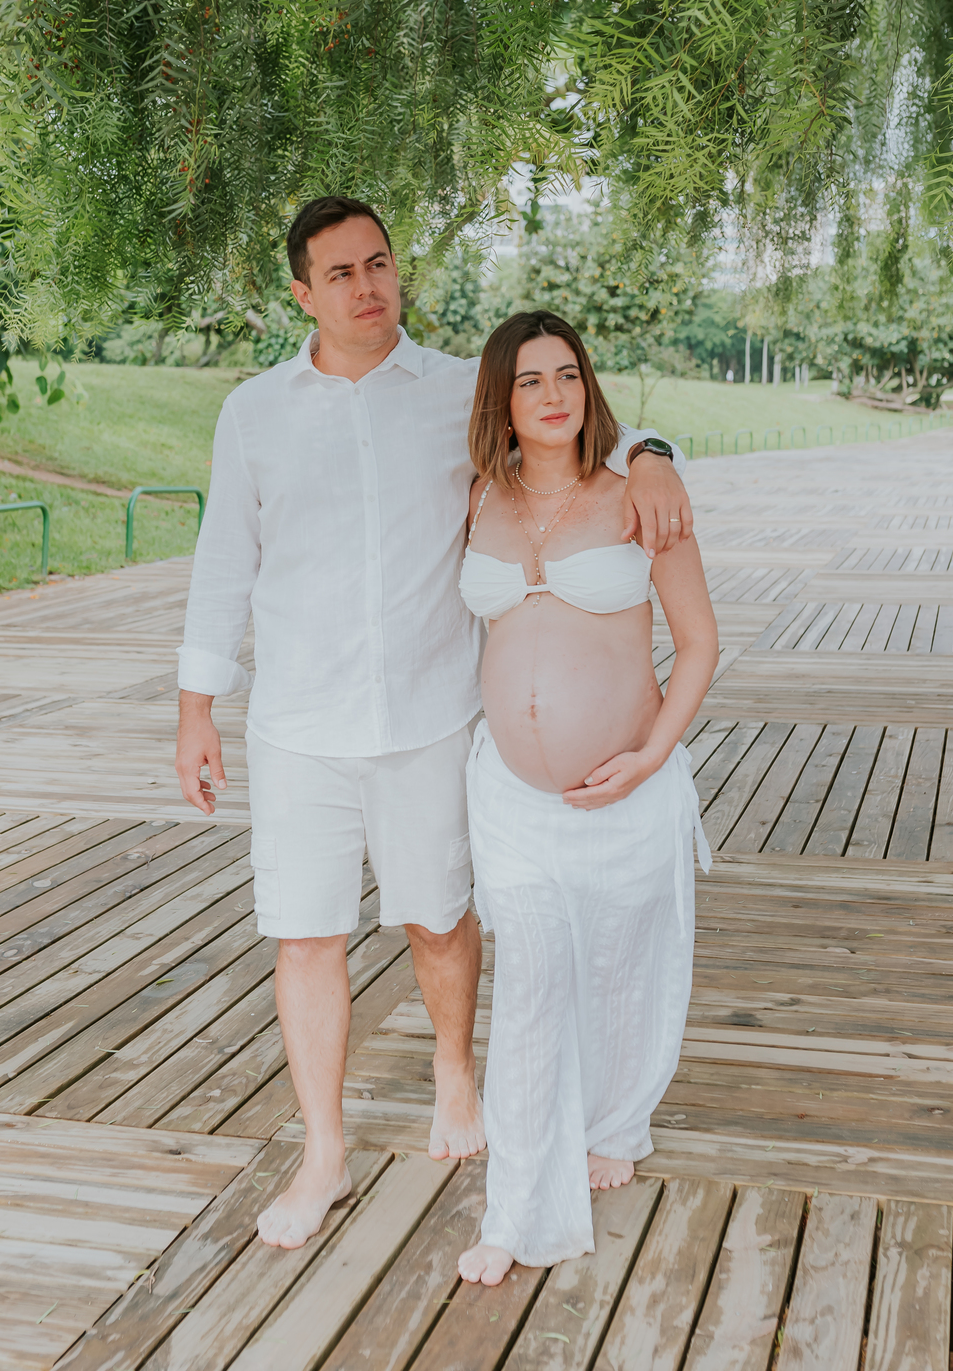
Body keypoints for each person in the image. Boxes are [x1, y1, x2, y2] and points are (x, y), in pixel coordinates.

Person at [174, 196, 694, 1251]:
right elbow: (224, 561)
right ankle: (323, 1153)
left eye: (379, 263)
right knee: (304, 933)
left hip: (429, 714)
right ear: (302, 293)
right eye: (340, 273)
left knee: (439, 917)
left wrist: (655, 451)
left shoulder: (461, 390)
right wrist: (197, 709)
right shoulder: (253, 414)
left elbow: (568, 417)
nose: (366, 287)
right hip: (297, 724)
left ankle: (455, 1073)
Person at [456, 310, 718, 1287]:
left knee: (619, 967)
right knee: (529, 983)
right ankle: (516, 1210)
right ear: (502, 400)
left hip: (624, 790)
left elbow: (699, 642)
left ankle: (614, 1122)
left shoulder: (639, 499)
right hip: (511, 797)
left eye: (568, 373)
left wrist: (651, 756)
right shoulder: (478, 496)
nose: (553, 394)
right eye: (530, 380)